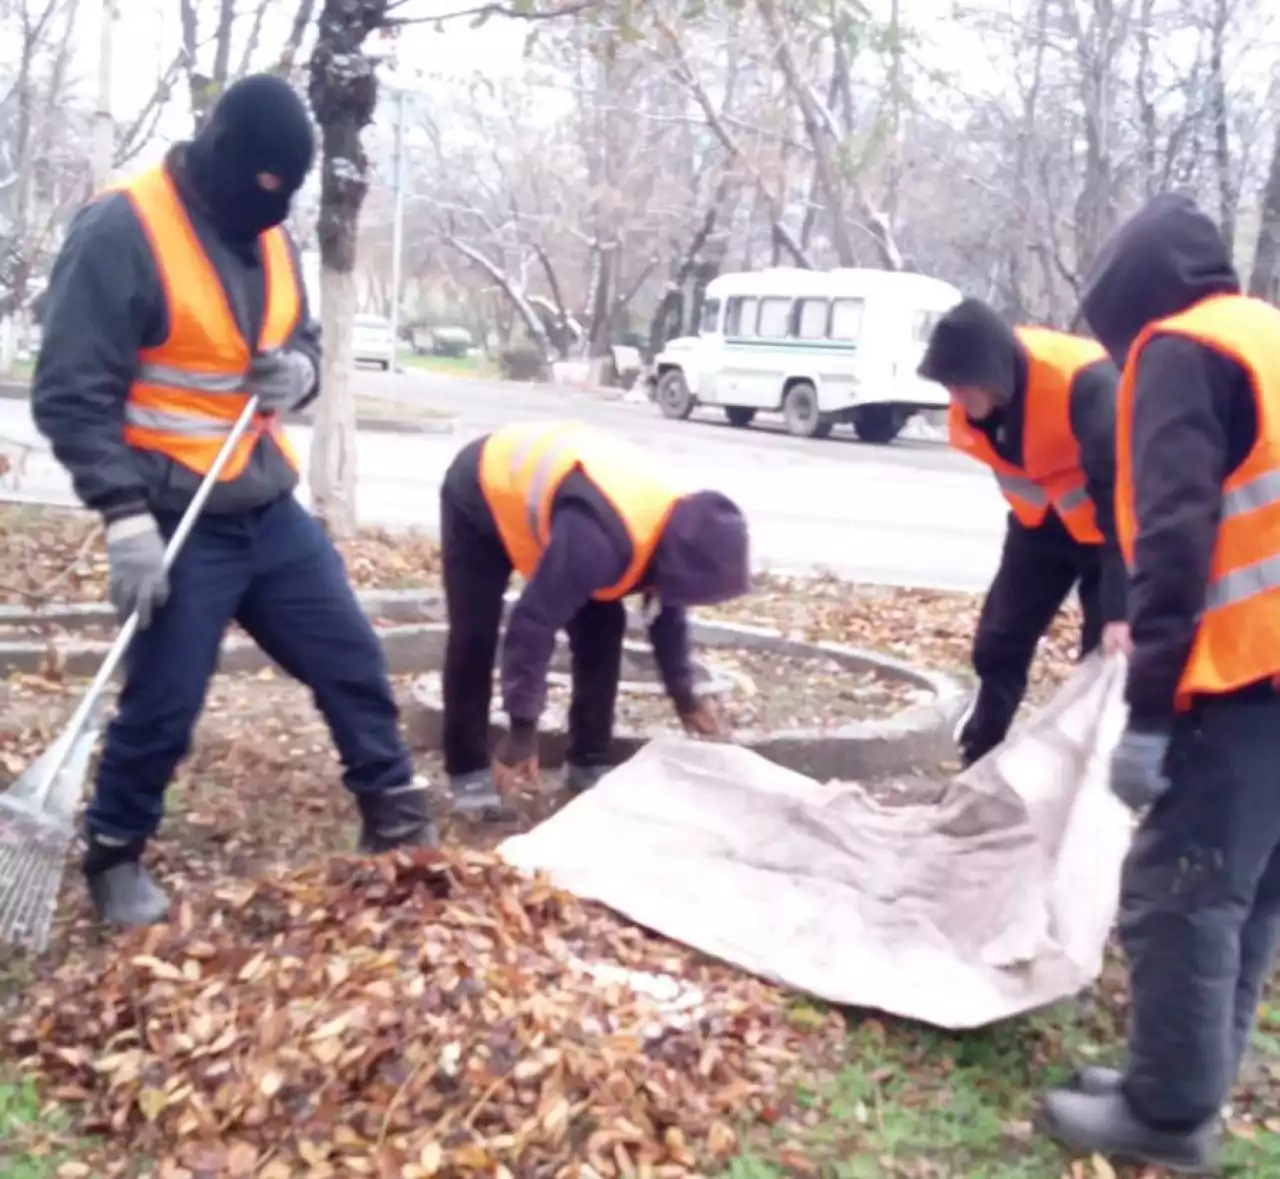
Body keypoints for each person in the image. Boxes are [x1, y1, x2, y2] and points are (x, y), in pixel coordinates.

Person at [31, 75, 436, 928]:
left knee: (352, 659)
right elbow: (71, 392)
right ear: (222, 163)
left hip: (263, 498)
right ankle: (113, 847)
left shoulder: (273, 228)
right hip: (171, 512)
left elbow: (300, 336)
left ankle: (395, 811)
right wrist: (125, 518)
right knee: (166, 698)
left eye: (286, 197)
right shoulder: (122, 230)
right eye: (263, 192)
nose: (273, 211)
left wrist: (302, 371)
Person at [1037, 192, 1280, 1173]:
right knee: (1245, 892)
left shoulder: (1178, 351)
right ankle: (1184, 1073)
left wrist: (1146, 713)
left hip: (1246, 675)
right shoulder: (1261, 333)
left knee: (1176, 893)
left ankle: (1167, 1117)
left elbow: (1175, 545)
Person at [437, 420, 751, 818]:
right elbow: (532, 624)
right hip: (483, 487)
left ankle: (588, 760)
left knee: (603, 629)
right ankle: (468, 772)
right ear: (676, 562)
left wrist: (684, 697)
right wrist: (522, 730)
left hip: (572, 507)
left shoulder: (678, 532)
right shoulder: (599, 541)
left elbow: (665, 614)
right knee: (474, 634)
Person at [917, 298, 1130, 767]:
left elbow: (1124, 503)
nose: (956, 397)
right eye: (949, 386)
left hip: (1109, 539)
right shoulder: (979, 403)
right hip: (1039, 530)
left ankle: (1078, 784)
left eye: (963, 386)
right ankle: (979, 757)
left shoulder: (1086, 385)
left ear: (993, 374)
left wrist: (1121, 609)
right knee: (999, 642)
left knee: (1101, 661)